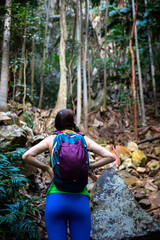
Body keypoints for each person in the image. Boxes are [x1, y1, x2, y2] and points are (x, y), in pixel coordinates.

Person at [22, 109, 116, 240]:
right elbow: (110, 156)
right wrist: (89, 166)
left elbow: (26, 155)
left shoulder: (52, 139)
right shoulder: (83, 139)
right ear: (73, 123)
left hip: (55, 200)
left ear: (57, 124)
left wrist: (46, 168)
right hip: (80, 201)